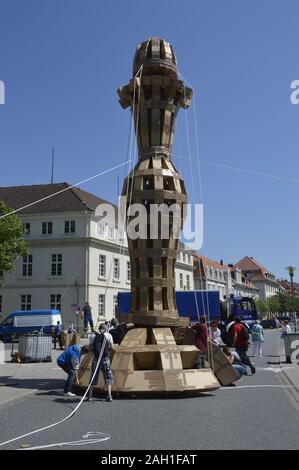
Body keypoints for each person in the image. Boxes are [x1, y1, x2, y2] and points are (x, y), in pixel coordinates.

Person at [88, 323, 114, 402]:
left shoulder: (93, 336)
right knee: (108, 377)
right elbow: (112, 347)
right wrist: (107, 351)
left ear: (99, 328)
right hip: (105, 359)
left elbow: (90, 348)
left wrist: (94, 351)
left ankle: (90, 396)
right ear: (105, 328)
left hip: (96, 359)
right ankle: (109, 396)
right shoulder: (109, 335)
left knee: (93, 376)